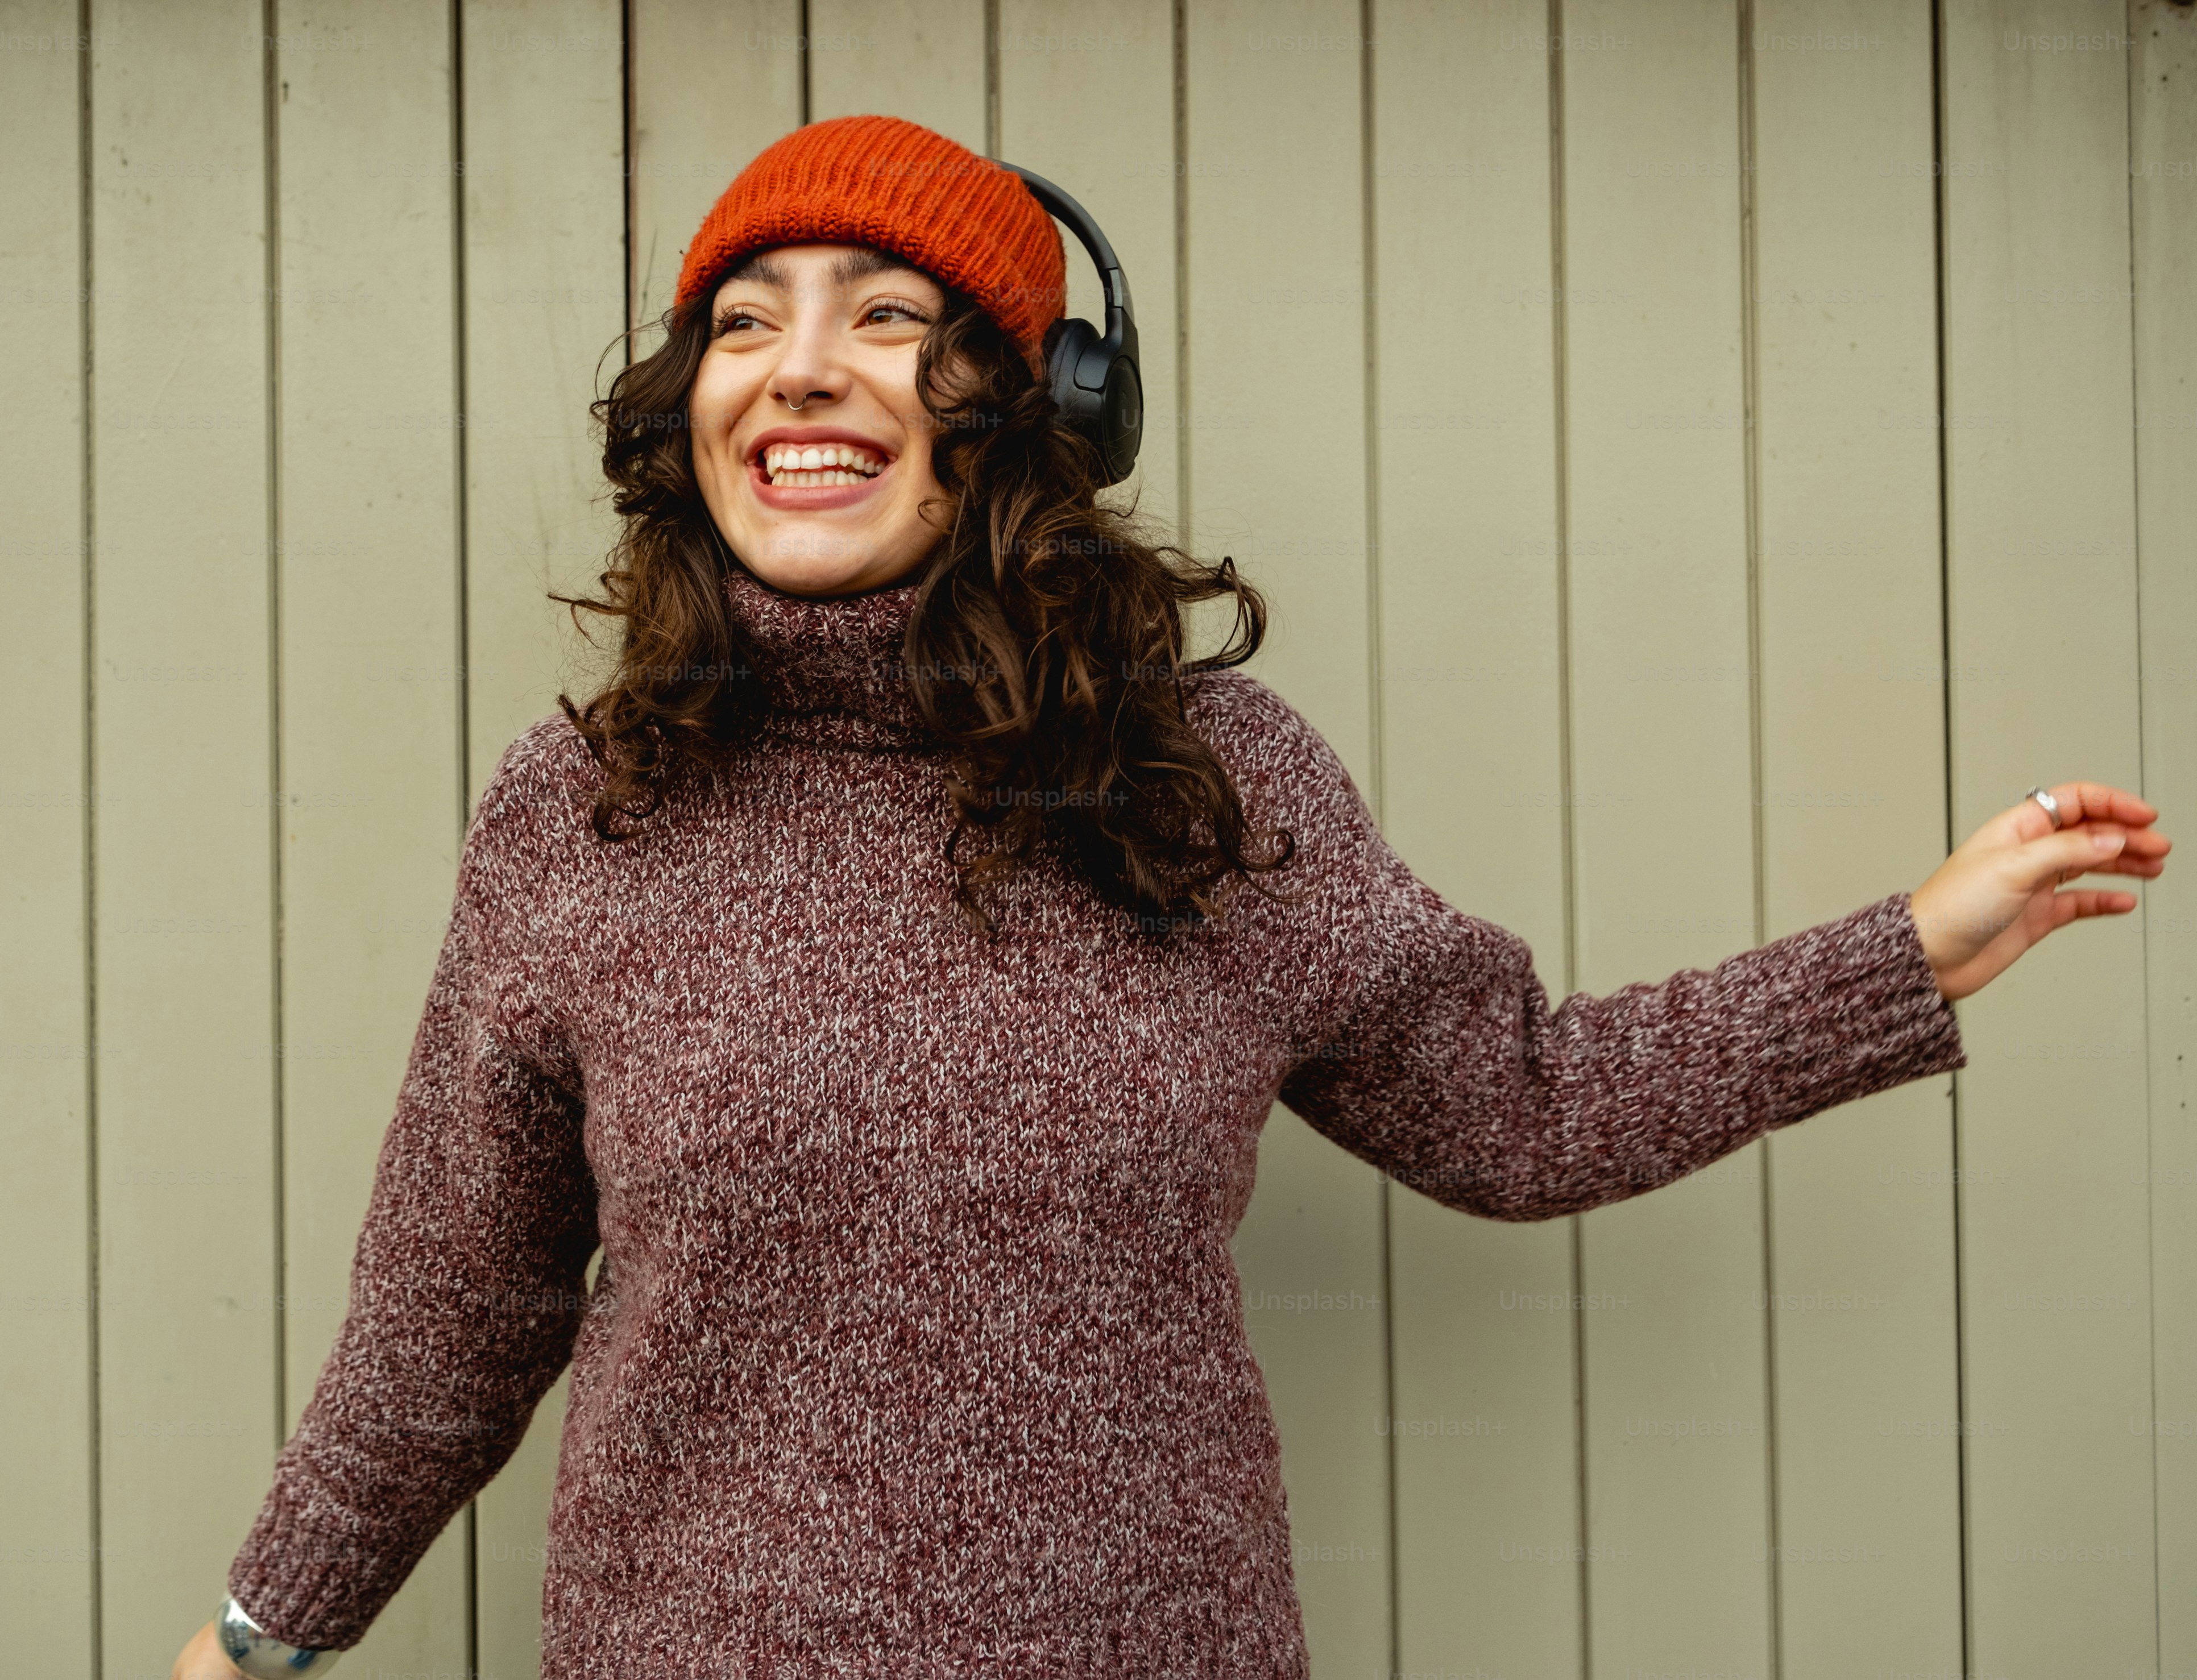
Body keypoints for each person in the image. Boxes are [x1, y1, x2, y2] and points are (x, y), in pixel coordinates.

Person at [171, 115, 2170, 1680]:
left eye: (888, 315)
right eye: (748, 317)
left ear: (1032, 409)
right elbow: (458, 1302)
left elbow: (1520, 1104)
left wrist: (1909, 949)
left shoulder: (1203, 783)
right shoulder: (583, 808)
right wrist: (272, 1622)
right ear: (689, 404)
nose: (801, 370)